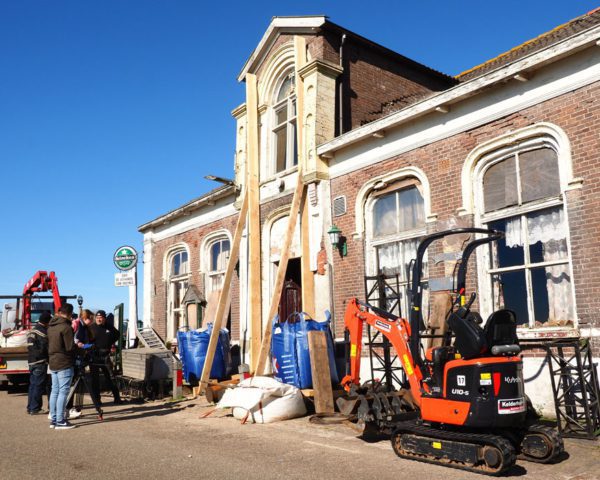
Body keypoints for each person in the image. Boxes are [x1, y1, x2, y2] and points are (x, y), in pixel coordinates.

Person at [47, 304, 77, 429]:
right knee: (63, 392)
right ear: (70, 314)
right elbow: (70, 347)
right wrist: (81, 349)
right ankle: (60, 420)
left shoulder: (50, 327)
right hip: (64, 362)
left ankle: (53, 419)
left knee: (55, 391)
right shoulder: (66, 327)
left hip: (52, 361)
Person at [89, 310, 121, 405]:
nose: (99, 319)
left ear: (104, 319)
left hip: (105, 355)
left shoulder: (109, 327)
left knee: (111, 377)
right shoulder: (91, 328)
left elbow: (117, 334)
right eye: (97, 317)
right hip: (94, 356)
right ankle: (97, 400)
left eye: (101, 318)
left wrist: (110, 343)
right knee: (95, 379)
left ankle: (117, 398)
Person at [26, 311, 51, 414]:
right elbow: (44, 347)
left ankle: (30, 407)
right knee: (38, 386)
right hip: (40, 362)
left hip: (31, 362)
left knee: (32, 385)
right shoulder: (42, 332)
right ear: (46, 322)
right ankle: (35, 408)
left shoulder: (33, 330)